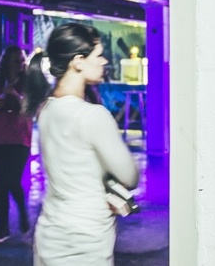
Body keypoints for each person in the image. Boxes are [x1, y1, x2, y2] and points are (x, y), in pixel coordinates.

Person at [26, 23, 139, 265]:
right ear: (78, 62)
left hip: (50, 232)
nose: (104, 61)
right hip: (87, 236)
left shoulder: (45, 109)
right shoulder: (92, 115)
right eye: (98, 55)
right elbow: (130, 176)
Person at [0, 45, 33, 243]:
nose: (20, 64)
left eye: (22, 60)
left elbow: (31, 109)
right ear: (6, 63)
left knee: (12, 180)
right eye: (16, 61)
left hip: (20, 136)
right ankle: (3, 226)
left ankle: (22, 210)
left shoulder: (28, 82)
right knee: (1, 183)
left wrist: (14, 95)